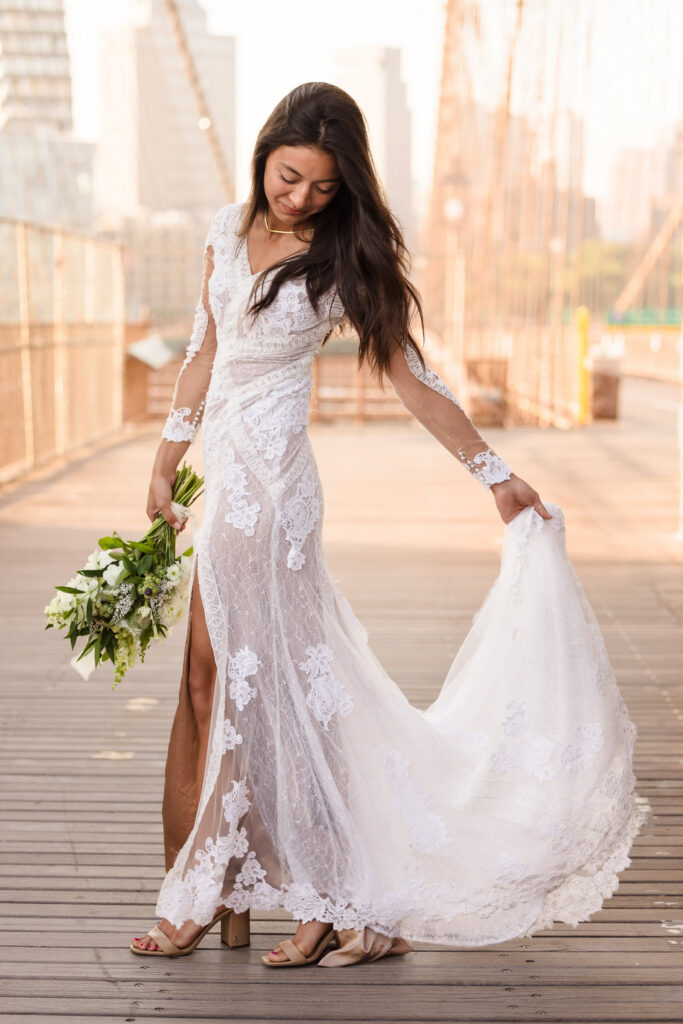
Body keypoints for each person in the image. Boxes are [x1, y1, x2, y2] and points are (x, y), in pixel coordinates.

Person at [130, 82, 643, 966]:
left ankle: (255, 889)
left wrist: (494, 473)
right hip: (223, 485)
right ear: (264, 157)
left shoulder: (340, 260)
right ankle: (295, 886)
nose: (300, 199)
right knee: (236, 681)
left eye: (323, 188)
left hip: (279, 495)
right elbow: (203, 351)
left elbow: (409, 375)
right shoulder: (224, 229)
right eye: (289, 178)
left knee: (250, 680)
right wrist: (164, 460)